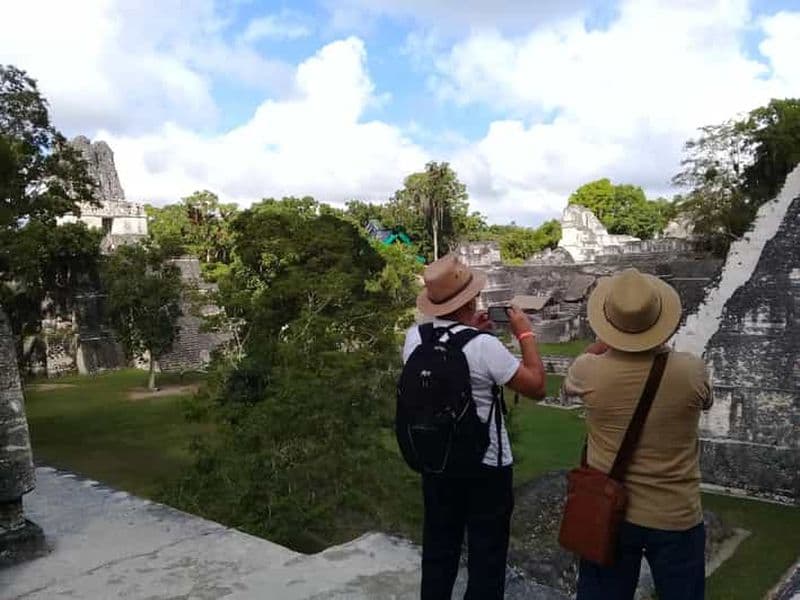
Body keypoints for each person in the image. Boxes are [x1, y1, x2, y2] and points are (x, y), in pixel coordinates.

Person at [402, 254, 547, 600]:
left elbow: (450, 352)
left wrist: (470, 331)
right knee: (487, 557)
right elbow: (537, 386)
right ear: (471, 299)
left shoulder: (414, 338)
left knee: (439, 550)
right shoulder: (485, 347)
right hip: (486, 466)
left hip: (437, 459)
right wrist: (525, 332)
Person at [564, 268, 713, 600]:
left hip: (610, 510)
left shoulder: (588, 371)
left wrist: (611, 338)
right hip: (675, 512)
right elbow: (705, 401)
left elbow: (573, 379)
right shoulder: (692, 370)